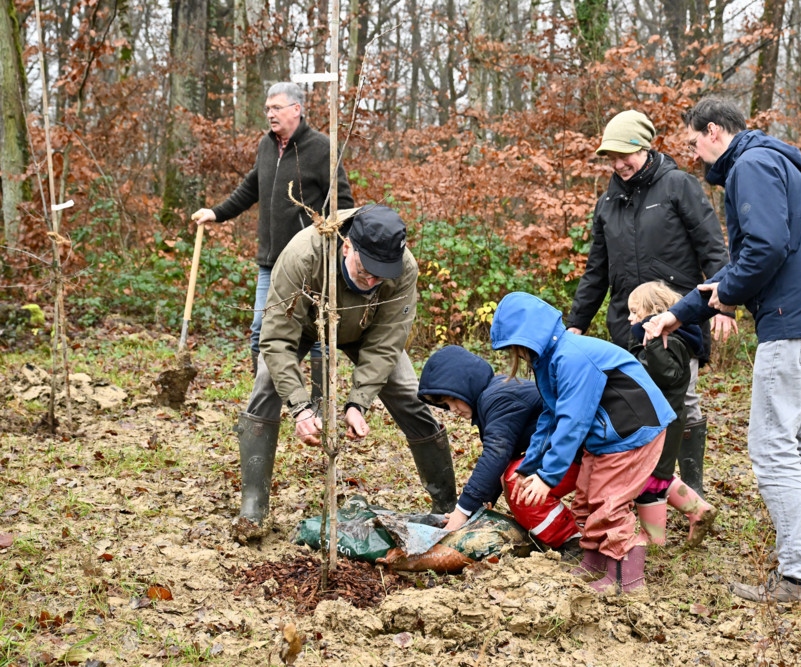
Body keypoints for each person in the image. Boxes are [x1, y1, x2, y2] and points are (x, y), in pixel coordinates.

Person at [645, 97, 801, 603]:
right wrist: (681, 312)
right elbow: (747, 260)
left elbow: (763, 250)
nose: (694, 156)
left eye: (694, 144)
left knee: (771, 445)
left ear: (714, 131)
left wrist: (731, 294)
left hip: (792, 321)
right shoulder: (775, 161)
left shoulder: (750, 166)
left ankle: (800, 575)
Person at [233, 205, 456, 542]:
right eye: (366, 271)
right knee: (267, 382)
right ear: (348, 246)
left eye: (381, 275)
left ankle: (448, 505)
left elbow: (387, 342)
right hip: (305, 325)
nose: (372, 281)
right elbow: (277, 338)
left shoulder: (403, 268)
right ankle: (253, 508)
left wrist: (358, 402)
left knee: (411, 393)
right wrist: (300, 406)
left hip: (368, 330)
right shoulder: (304, 255)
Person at [566, 109, 736, 500]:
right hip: (629, 322)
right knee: (637, 405)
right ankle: (646, 491)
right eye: (611, 157)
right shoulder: (608, 202)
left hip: (680, 317)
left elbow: (713, 250)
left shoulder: (679, 186)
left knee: (684, 399)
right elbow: (596, 271)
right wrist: (577, 322)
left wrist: (724, 303)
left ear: (645, 146)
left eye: (625, 154)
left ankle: (692, 489)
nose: (619, 163)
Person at [491, 292, 675, 594]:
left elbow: (572, 421)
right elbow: (550, 416)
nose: (519, 356)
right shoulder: (548, 361)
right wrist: (530, 467)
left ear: (531, 339)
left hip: (632, 432)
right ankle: (595, 563)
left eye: (518, 349)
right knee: (586, 500)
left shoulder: (572, 357)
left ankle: (626, 581)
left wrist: (548, 476)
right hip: (605, 438)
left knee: (609, 502)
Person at [191, 81, 354, 397]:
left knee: (315, 333)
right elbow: (251, 187)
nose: (270, 114)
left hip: (313, 263)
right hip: (270, 262)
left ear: (297, 109)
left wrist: (337, 248)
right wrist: (216, 212)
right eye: (267, 108)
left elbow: (343, 204)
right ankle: (263, 401)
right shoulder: (266, 146)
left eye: (276, 107)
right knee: (260, 332)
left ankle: (321, 404)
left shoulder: (321, 148)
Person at [417, 345, 581, 551]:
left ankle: (572, 541)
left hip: (581, 454)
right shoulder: (495, 393)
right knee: (511, 474)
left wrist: (461, 512)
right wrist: (477, 508)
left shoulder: (499, 397)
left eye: (453, 399)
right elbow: (500, 461)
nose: (453, 409)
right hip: (570, 453)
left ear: (466, 384)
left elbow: (496, 455)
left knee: (518, 483)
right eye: (445, 404)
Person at [626, 282, 716, 548]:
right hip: (656, 419)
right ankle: (698, 509)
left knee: (651, 479)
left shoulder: (670, 341)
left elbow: (669, 376)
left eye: (634, 312)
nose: (630, 318)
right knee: (659, 474)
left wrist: (652, 342)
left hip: (661, 422)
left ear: (654, 311)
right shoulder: (652, 340)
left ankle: (655, 540)